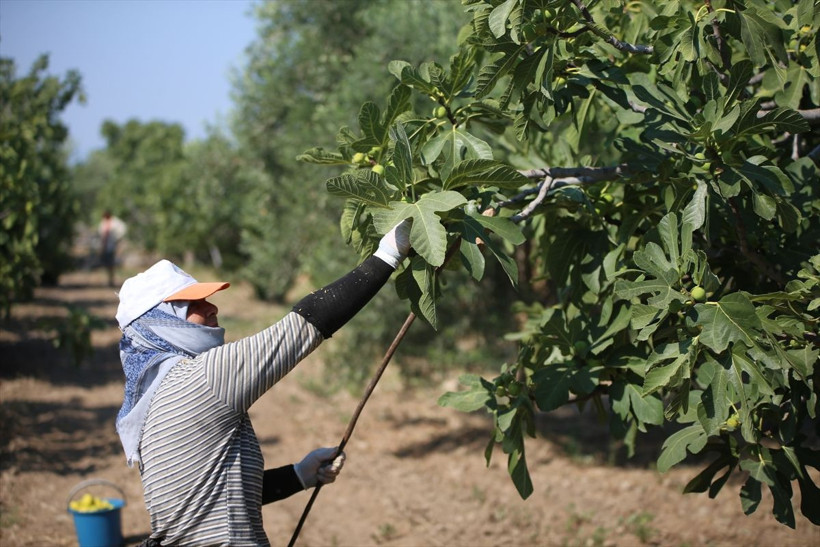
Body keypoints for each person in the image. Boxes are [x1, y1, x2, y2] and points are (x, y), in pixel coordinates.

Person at [115, 220, 411, 546]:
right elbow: (305, 325)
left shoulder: (147, 401)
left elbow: (204, 501)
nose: (212, 307)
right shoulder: (202, 377)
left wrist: (298, 474)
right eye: (194, 305)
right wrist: (389, 253)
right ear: (161, 322)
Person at [99, 210, 127, 287]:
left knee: (111, 264)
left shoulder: (115, 222)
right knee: (107, 264)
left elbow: (122, 230)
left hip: (112, 246)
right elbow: (102, 236)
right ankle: (109, 279)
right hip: (106, 246)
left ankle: (111, 280)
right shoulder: (103, 223)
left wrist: (117, 239)